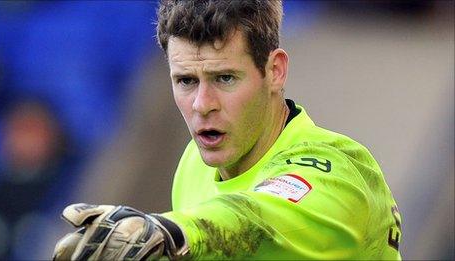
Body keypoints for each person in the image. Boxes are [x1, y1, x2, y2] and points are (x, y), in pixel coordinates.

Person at [52, 0, 402, 260]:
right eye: (186, 81)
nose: (203, 104)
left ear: (275, 71)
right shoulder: (194, 164)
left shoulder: (341, 173)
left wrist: (173, 231)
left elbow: (256, 219)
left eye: (225, 78)